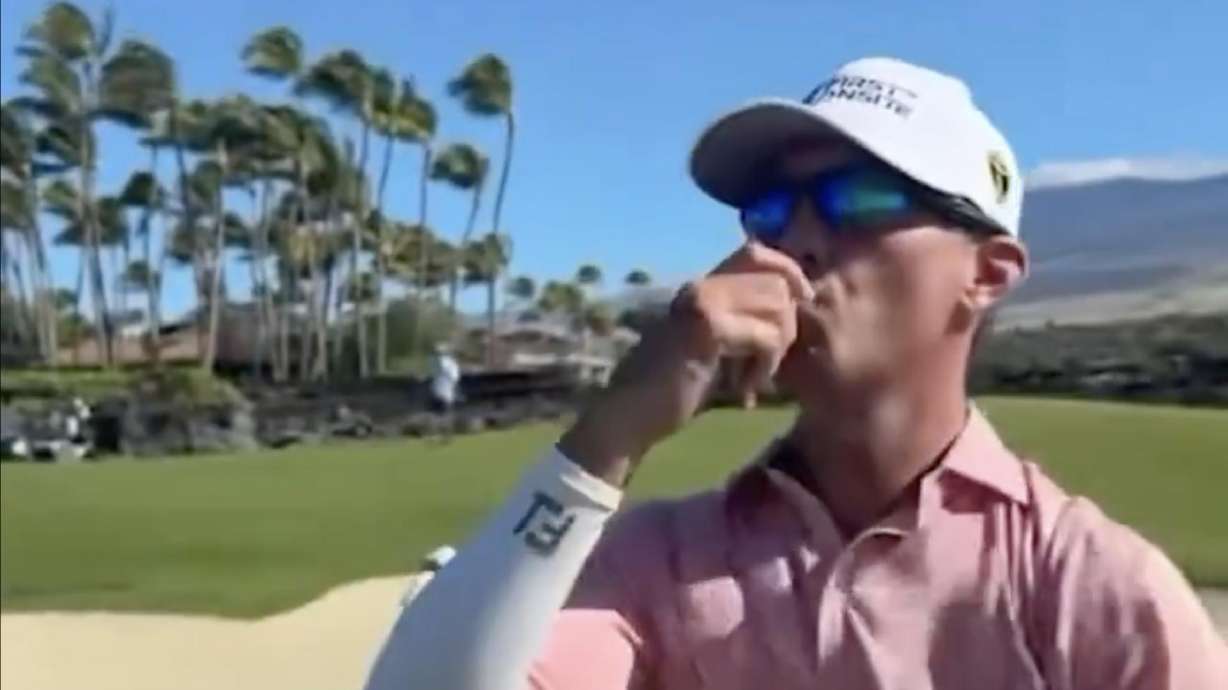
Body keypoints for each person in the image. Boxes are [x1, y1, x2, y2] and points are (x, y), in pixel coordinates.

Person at [364, 57, 1227, 689]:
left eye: (860, 198)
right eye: (772, 210)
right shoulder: (662, 562)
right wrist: (610, 433)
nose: (795, 242)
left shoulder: (1084, 584)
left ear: (987, 273)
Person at [428, 342, 461, 440]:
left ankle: (442, 435)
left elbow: (453, 378)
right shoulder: (451, 364)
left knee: (438, 415)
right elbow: (455, 378)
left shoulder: (439, 362)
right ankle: (444, 435)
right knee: (442, 415)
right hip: (443, 393)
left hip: (441, 392)